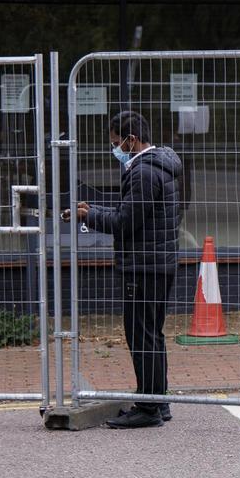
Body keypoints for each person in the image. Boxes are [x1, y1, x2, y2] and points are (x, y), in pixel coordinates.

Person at [63, 110, 182, 428]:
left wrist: (88, 216)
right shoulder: (160, 164)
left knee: (141, 336)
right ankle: (157, 400)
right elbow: (133, 213)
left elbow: (126, 222)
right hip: (158, 262)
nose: (115, 148)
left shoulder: (143, 172)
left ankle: (148, 407)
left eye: (117, 143)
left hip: (143, 266)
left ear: (132, 140)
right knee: (151, 335)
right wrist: (96, 209)